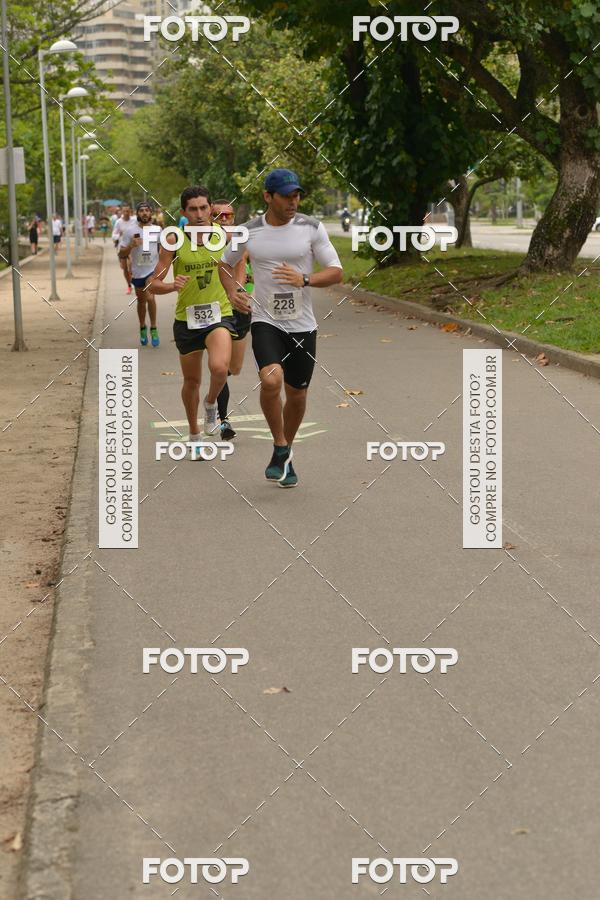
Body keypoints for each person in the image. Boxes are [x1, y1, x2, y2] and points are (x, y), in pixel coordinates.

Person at [219, 168, 343, 488]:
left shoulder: (311, 228)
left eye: (296, 195)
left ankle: (286, 450)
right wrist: (233, 292)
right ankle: (279, 444)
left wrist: (305, 279)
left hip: (302, 324)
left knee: (297, 394)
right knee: (270, 379)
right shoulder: (248, 231)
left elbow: (336, 272)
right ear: (267, 197)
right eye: (286, 196)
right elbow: (225, 264)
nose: (293, 201)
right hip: (265, 319)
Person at [149, 185, 238, 444]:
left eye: (203, 207)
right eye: (193, 209)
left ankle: (211, 404)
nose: (199, 214)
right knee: (192, 381)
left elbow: (241, 261)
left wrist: (237, 290)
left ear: (211, 208)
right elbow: (152, 283)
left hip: (219, 313)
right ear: (183, 212)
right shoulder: (174, 239)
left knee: (220, 368)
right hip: (186, 319)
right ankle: (194, 433)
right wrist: (170, 285)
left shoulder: (226, 236)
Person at [211, 199, 252, 440]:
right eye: (219, 216)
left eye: (228, 215)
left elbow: (249, 265)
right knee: (222, 365)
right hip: (216, 308)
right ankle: (222, 418)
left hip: (239, 307)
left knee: (234, 368)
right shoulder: (205, 242)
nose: (224, 219)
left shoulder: (242, 239)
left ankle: (217, 383)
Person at [118, 202, 161, 347]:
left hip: (152, 271)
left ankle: (154, 328)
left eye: (147, 210)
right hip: (138, 271)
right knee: (141, 301)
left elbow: (165, 249)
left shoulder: (158, 229)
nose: (144, 213)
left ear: (151, 213)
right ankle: (143, 326)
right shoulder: (130, 231)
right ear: (137, 213)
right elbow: (121, 253)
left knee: (150, 297)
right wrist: (131, 245)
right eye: (141, 211)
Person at [113, 205, 137, 294]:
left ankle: (133, 279)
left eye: (128, 211)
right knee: (124, 268)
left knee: (131, 265)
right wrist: (119, 235)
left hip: (132, 247)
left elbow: (138, 231)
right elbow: (114, 235)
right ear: (122, 212)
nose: (126, 213)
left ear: (130, 212)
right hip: (122, 247)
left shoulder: (134, 220)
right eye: (124, 211)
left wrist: (136, 239)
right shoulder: (118, 222)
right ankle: (129, 286)